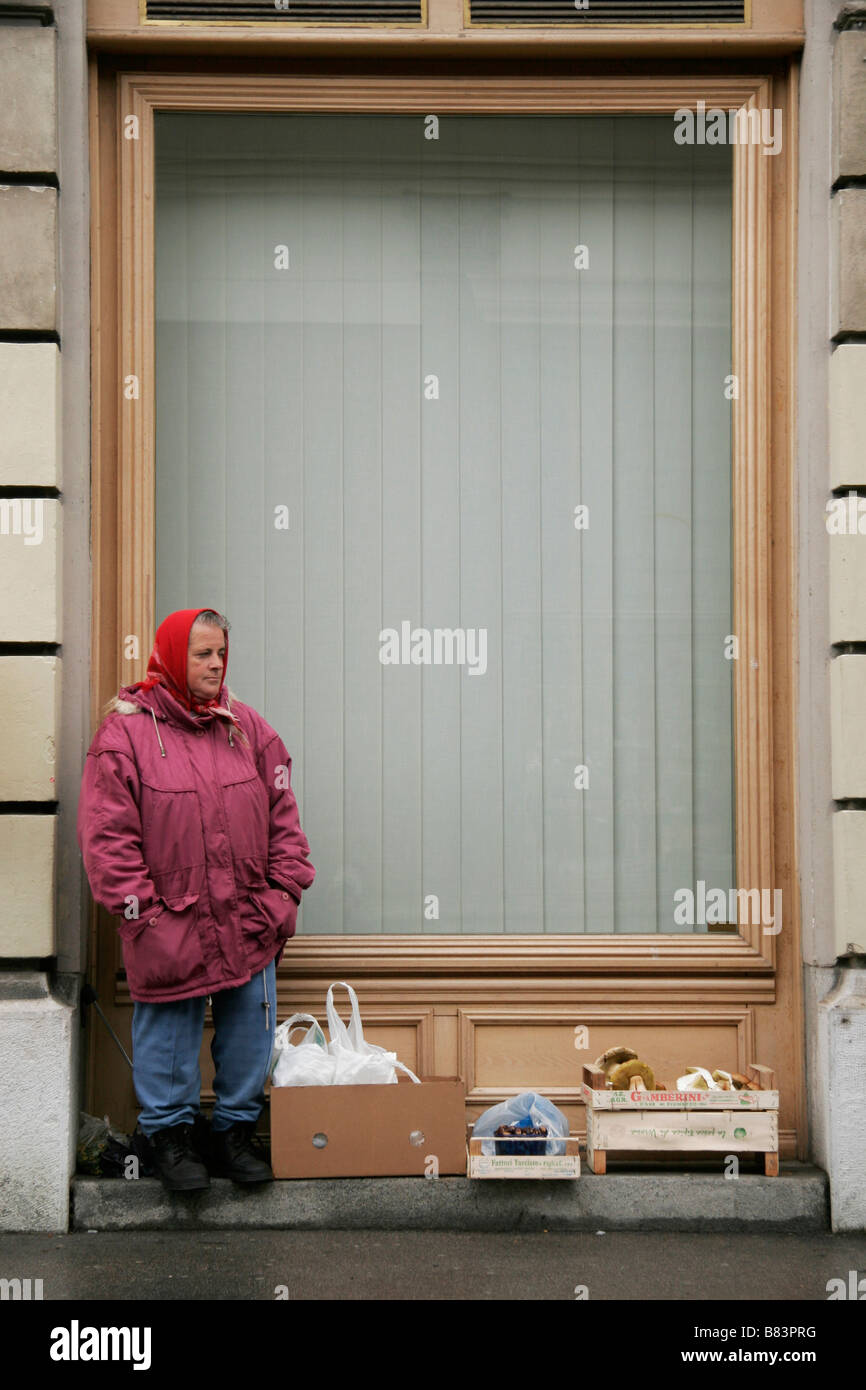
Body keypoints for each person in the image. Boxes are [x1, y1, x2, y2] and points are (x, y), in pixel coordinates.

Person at [77, 607, 315, 1192]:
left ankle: (233, 1132)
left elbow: (284, 821)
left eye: (221, 654)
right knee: (168, 1034)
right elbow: (107, 840)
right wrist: (144, 917)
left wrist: (282, 895)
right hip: (170, 921)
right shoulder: (126, 734)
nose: (216, 665)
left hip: (249, 918)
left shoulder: (247, 728)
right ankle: (170, 1138)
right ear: (172, 656)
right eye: (203, 654)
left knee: (248, 1033)